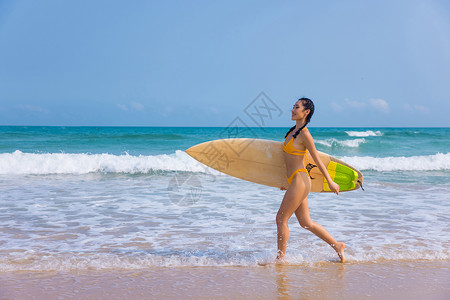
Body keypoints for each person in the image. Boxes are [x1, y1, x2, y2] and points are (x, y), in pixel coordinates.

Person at [276, 97, 345, 263]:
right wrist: (287, 183)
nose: (292, 110)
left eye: (297, 107)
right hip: (295, 181)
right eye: (293, 106)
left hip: (300, 180)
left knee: (281, 219)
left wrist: (330, 181)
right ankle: (337, 245)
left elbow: (316, 159)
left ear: (306, 112)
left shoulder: (305, 134)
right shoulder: (293, 131)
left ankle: (280, 259)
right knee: (305, 222)